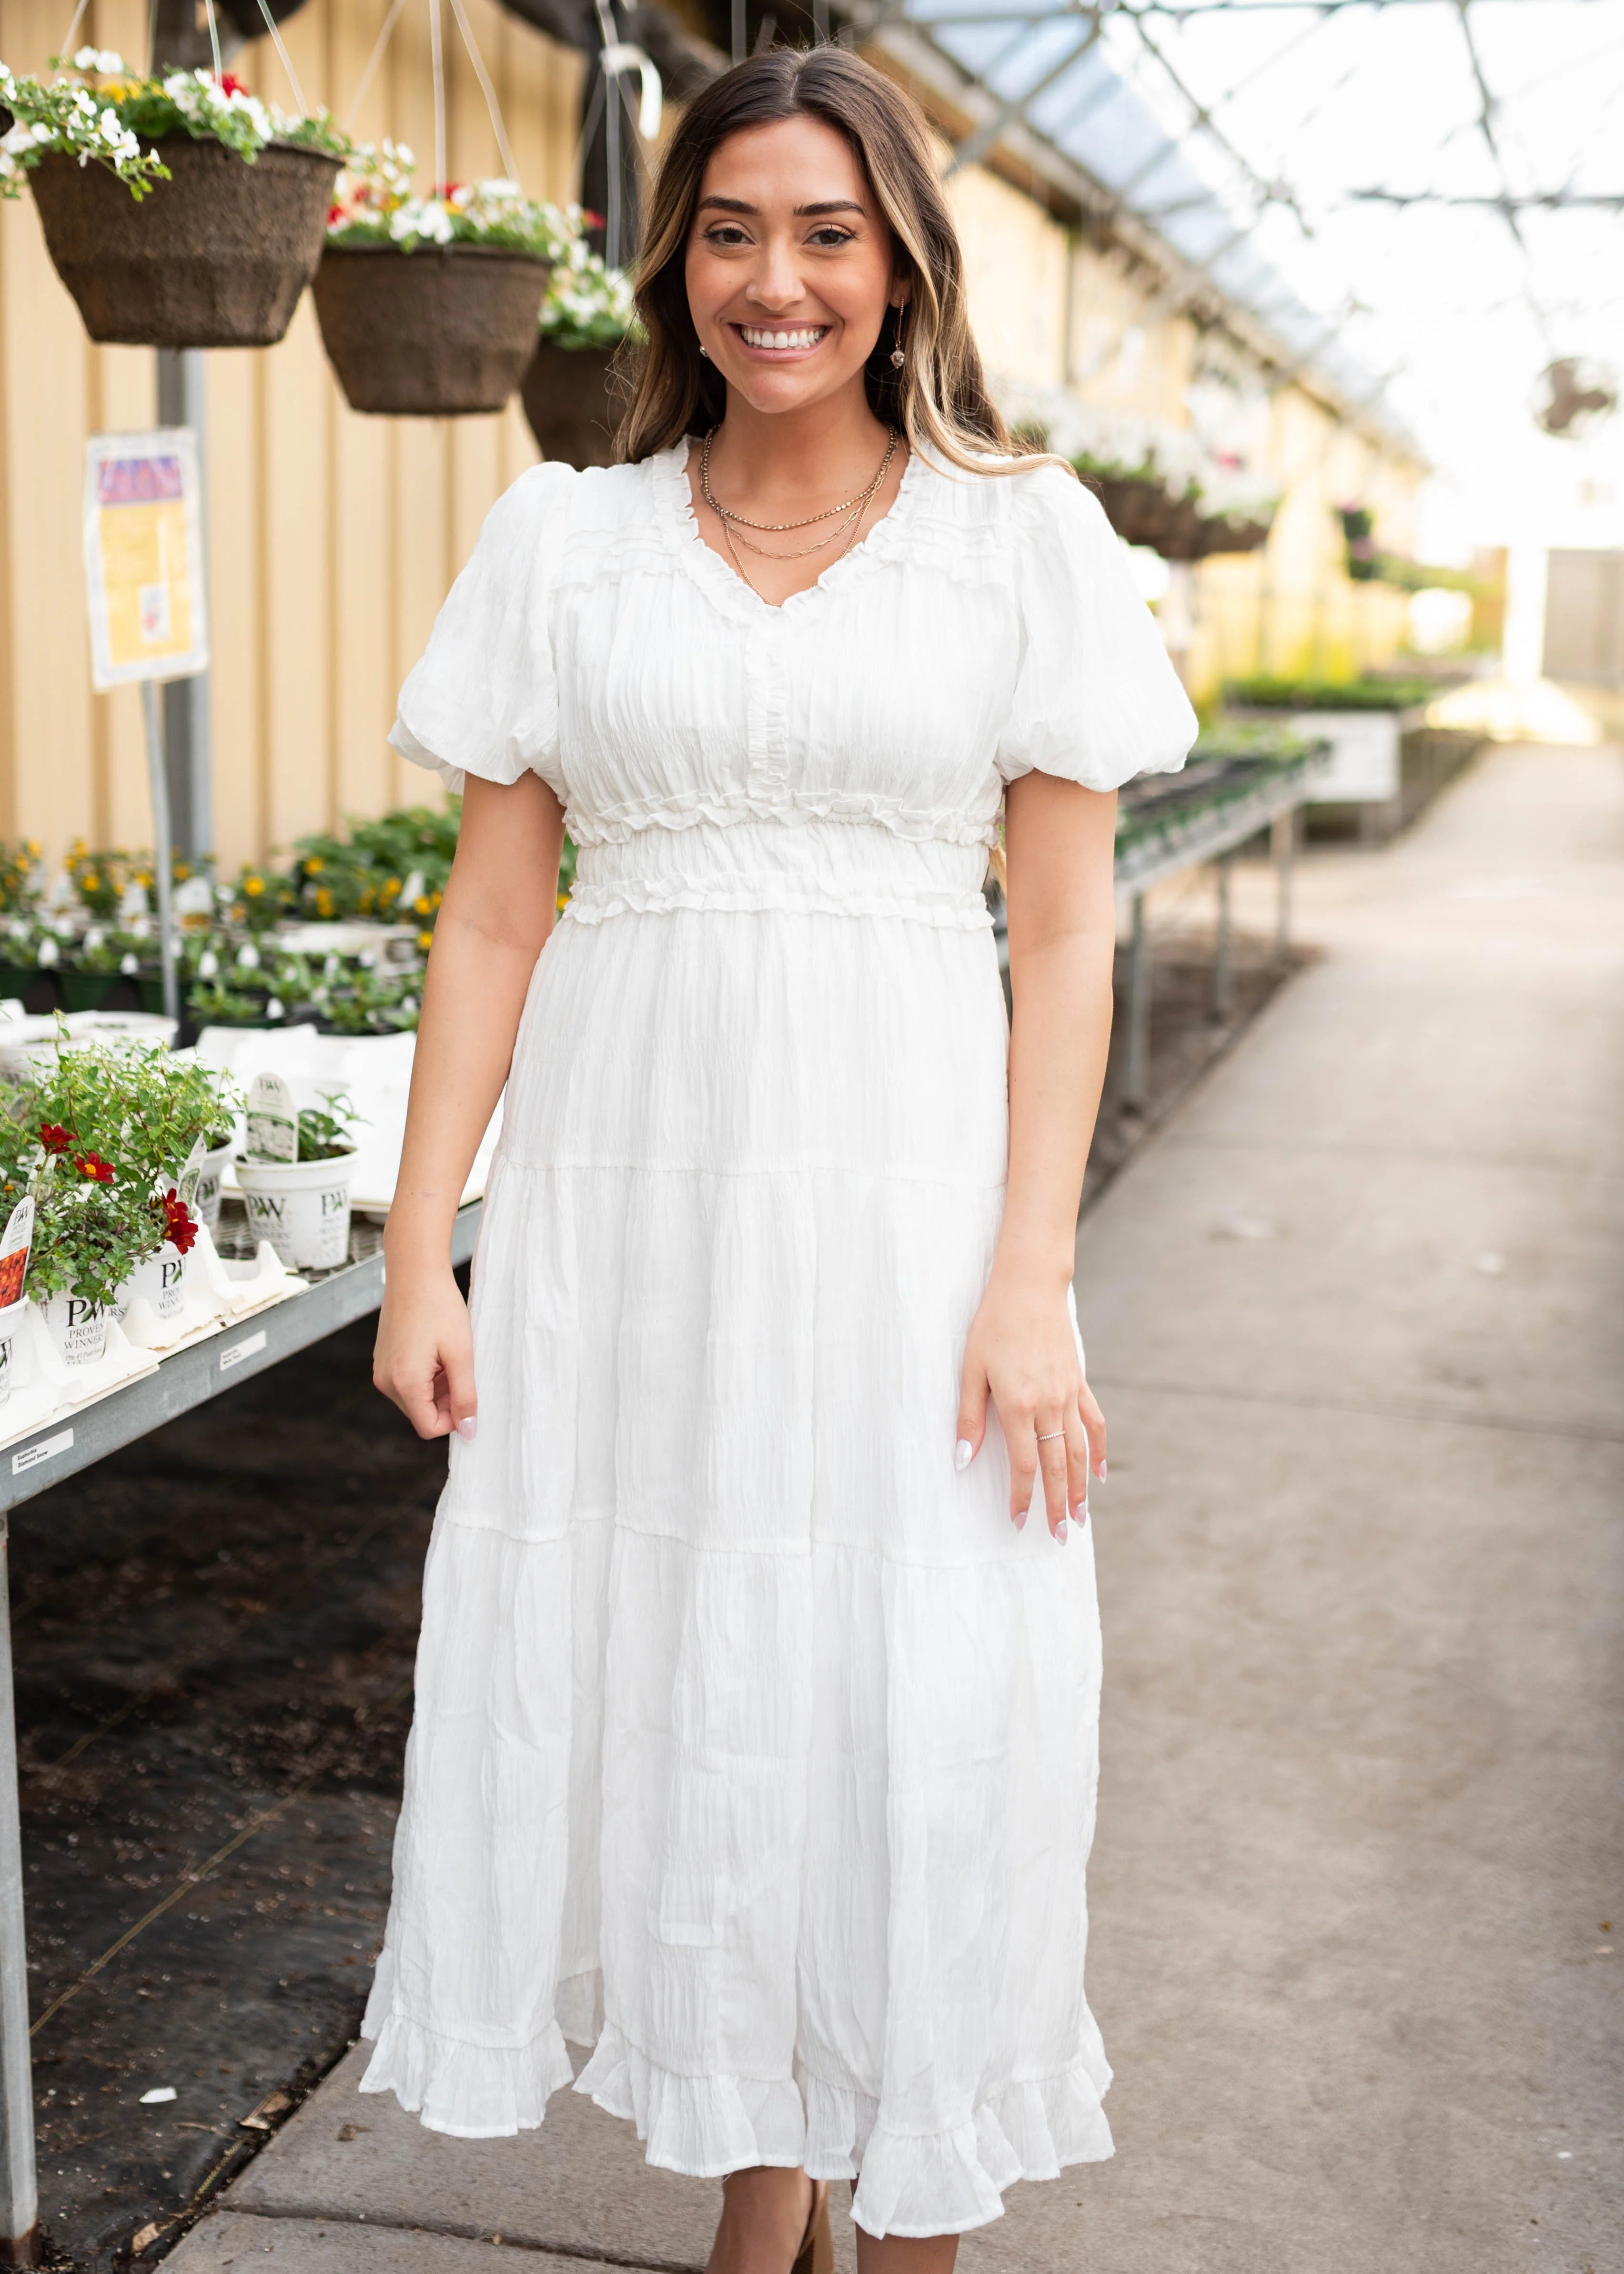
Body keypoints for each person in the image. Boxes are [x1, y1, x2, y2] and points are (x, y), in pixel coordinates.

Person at [367, 43, 1196, 2274]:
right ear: (673, 265)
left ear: (901, 265)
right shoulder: (565, 540)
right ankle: (763, 2175)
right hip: (627, 1209)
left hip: (908, 1209)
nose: (777, 280)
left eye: (828, 233)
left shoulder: (1023, 542)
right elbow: (493, 917)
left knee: (913, 1677)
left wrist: (1030, 1278)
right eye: (730, 232)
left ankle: (901, 2202)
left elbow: (1064, 935)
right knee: (693, 1661)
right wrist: (427, 1251)